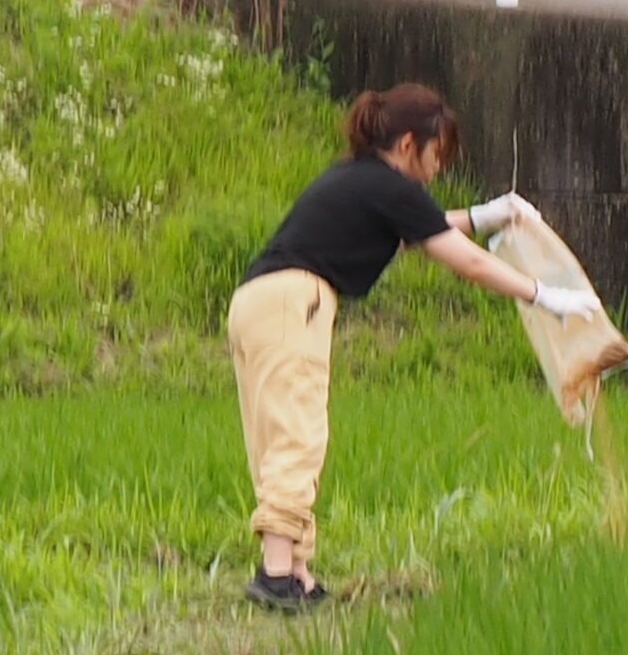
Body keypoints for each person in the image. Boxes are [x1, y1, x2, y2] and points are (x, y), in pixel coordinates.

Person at [228, 81, 599, 614]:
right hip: (296, 301)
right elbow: (465, 262)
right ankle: (277, 572)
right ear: (408, 144)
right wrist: (543, 295)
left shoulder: (359, 178)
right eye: (438, 153)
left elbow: (423, 229)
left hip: (255, 301)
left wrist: (482, 216)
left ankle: (297, 571)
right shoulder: (393, 189)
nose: (439, 167)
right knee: (297, 433)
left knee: (272, 431)